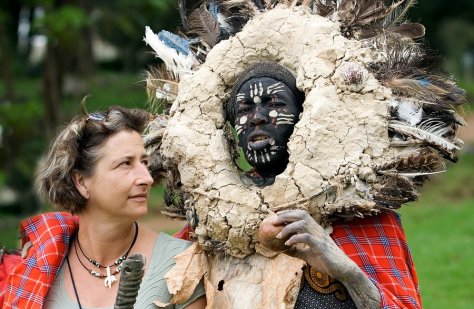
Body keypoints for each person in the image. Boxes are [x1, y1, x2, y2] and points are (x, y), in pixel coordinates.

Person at [225, 61, 421, 308]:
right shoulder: (216, 219)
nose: (257, 118)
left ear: (305, 117)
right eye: (244, 109)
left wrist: (345, 269)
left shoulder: (362, 209)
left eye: (275, 104)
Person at [2, 105, 206, 309]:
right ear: (81, 182)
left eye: (144, 162)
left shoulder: (180, 263)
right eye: (126, 164)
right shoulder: (41, 267)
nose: (146, 178)